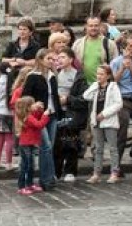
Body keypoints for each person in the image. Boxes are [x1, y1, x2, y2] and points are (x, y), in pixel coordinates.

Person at [21, 48, 62, 190]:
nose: (51, 61)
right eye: (48, 59)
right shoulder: (33, 76)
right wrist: (34, 105)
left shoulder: (52, 76)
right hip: (40, 115)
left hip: (52, 114)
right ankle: (47, 179)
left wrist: (59, 112)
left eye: (53, 59)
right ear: (40, 60)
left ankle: (48, 178)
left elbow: (54, 96)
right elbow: (25, 97)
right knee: (46, 147)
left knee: (49, 147)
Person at [53, 49, 89, 183]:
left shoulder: (78, 77)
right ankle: (56, 171)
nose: (59, 60)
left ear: (71, 59)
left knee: (71, 142)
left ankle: (70, 171)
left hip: (72, 113)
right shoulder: (55, 75)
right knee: (57, 144)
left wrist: (67, 100)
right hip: (57, 113)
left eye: (63, 57)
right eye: (58, 57)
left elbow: (83, 99)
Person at [83, 64, 122, 183]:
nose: (98, 76)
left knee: (112, 148)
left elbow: (118, 104)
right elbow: (86, 96)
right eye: (97, 73)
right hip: (96, 122)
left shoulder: (113, 87)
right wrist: (94, 85)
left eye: (101, 74)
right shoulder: (96, 87)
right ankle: (96, 173)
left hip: (108, 121)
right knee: (98, 148)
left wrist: (104, 114)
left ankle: (114, 172)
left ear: (108, 75)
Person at [110, 34, 132, 163]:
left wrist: (130, 66)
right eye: (131, 46)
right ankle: (116, 164)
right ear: (124, 48)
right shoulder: (115, 62)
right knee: (122, 131)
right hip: (122, 100)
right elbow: (113, 81)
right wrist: (122, 68)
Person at [14, 96, 49, 196]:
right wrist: (45, 115)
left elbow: (37, 116)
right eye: (33, 104)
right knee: (25, 166)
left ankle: (29, 184)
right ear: (28, 107)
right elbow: (39, 124)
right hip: (25, 145)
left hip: (30, 144)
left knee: (31, 166)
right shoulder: (28, 117)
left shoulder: (29, 115)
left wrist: (40, 110)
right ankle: (21, 186)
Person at [73, 15, 118, 84]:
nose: (93, 28)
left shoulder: (109, 44)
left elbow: (116, 64)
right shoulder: (77, 44)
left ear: (100, 26)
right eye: (90, 26)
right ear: (86, 27)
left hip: (102, 85)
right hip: (83, 85)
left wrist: (109, 67)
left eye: (96, 25)